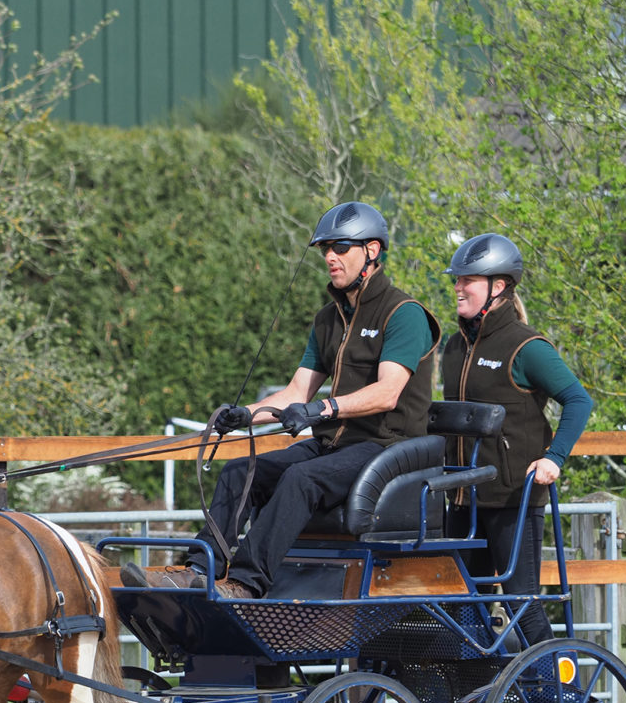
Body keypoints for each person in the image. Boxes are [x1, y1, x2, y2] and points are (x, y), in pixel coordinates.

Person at [123, 201, 439, 599]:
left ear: (371, 251)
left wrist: (322, 409)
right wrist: (243, 416)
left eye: (340, 247)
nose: (329, 257)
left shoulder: (404, 314)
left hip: (386, 446)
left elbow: (387, 392)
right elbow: (295, 392)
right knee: (241, 471)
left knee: (300, 478)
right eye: (325, 249)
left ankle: (244, 583)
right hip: (334, 444)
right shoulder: (328, 319)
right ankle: (197, 573)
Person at [441, 232, 594, 645]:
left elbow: (578, 401)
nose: (457, 286)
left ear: (499, 286)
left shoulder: (527, 347)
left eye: (467, 279)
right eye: (456, 279)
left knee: (519, 603)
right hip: (460, 498)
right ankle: (475, 702)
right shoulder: (453, 348)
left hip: (512, 499)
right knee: (459, 608)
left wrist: (554, 458)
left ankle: (556, 701)